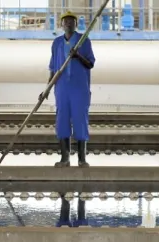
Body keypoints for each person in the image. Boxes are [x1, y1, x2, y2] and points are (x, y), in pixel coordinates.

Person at [41, 11, 95, 168]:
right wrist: (47, 88)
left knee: (80, 120)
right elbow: (53, 68)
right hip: (62, 87)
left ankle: (82, 159)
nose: (69, 23)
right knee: (62, 120)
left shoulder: (84, 41)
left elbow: (90, 64)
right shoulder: (57, 43)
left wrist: (78, 56)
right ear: (61, 24)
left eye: (72, 21)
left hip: (79, 88)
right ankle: (65, 158)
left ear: (76, 24)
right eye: (66, 21)